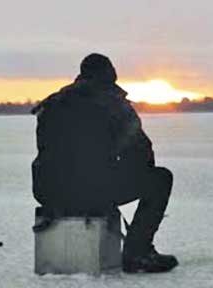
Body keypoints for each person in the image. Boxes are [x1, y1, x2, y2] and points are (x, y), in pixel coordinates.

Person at [31, 53, 178, 273]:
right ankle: (138, 252)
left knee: (93, 178)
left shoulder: (52, 104)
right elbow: (141, 152)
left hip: (49, 191)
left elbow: (47, 151)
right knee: (160, 178)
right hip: (94, 189)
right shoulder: (112, 102)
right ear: (110, 76)